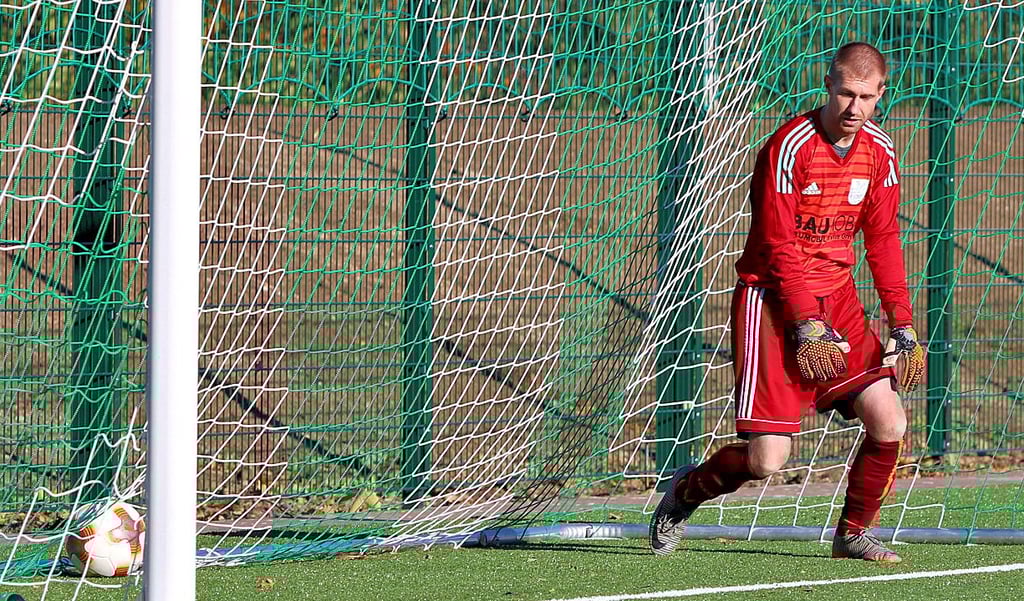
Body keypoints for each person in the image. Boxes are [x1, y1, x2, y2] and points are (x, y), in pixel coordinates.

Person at [649, 42, 926, 562]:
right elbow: (777, 245)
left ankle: (854, 532)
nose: (854, 107)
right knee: (767, 460)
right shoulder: (788, 147)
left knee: (889, 420)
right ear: (829, 84)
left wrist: (903, 324)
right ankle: (687, 492)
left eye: (866, 97)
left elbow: (884, 240)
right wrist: (804, 322)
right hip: (773, 302)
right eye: (846, 92)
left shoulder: (881, 153)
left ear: (880, 94)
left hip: (837, 298)